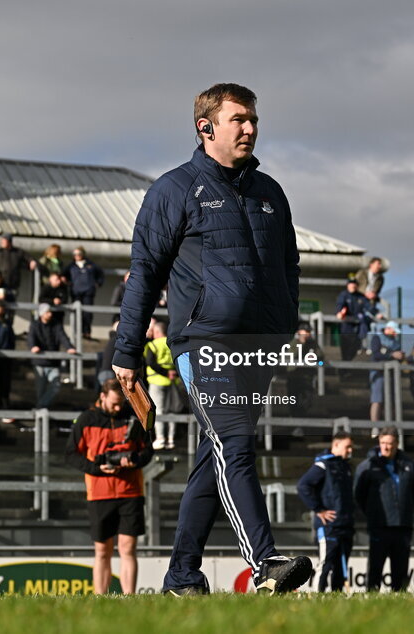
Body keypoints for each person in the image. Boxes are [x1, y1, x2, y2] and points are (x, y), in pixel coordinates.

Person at [111, 83, 311, 595]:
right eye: (238, 119)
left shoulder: (271, 192)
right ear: (206, 127)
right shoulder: (174, 190)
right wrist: (127, 351)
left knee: (215, 454)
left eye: (253, 120)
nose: (250, 128)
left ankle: (181, 577)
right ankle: (264, 562)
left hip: (259, 346)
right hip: (203, 343)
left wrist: (284, 328)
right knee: (236, 444)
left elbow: (289, 267)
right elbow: (145, 272)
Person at [66, 379, 153, 595]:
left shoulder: (132, 416)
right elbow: (70, 454)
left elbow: (148, 450)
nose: (117, 408)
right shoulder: (86, 420)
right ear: (102, 397)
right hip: (99, 492)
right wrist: (97, 468)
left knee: (127, 549)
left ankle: (129, 597)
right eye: (114, 403)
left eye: (120, 404)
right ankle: (100, 597)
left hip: (131, 492)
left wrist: (134, 461)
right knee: (102, 551)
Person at [354, 427, 414, 592]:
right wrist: (372, 513)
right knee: (375, 567)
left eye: (390, 443)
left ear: (397, 443)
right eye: (382, 443)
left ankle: (400, 599)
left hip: (403, 526)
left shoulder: (409, 464)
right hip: (379, 525)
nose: (386, 447)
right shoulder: (368, 466)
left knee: (401, 570)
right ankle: (371, 596)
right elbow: (358, 494)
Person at [297, 432, 354, 593]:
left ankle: (337, 598)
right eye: (347, 446)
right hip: (328, 526)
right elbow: (303, 486)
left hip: (345, 526)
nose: (350, 450)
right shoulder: (323, 464)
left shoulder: (346, 466)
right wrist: (318, 510)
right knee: (325, 563)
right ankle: (317, 596)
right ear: (335, 445)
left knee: (340, 568)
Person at [27, 303, 77, 409]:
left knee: (56, 385)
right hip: (39, 362)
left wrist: (69, 347)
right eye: (47, 312)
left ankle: (40, 407)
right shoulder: (35, 325)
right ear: (42, 314)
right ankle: (42, 412)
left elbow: (62, 336)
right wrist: (33, 347)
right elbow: (31, 337)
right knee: (41, 389)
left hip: (53, 362)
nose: (50, 314)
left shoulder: (56, 324)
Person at [144, 320, 184, 450]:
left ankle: (160, 438)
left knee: (159, 410)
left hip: (157, 381)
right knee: (173, 409)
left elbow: (150, 362)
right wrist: (173, 373)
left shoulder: (152, 345)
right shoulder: (173, 344)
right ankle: (171, 439)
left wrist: (165, 373)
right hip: (174, 382)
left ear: (156, 332)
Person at [63, 246, 104, 339]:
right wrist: (67, 283)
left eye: (79, 254)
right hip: (75, 292)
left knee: (87, 313)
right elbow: (63, 275)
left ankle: (87, 332)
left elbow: (100, 274)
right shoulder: (71, 266)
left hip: (88, 292)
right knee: (76, 313)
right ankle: (77, 332)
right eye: (75, 254)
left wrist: (98, 284)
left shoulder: (91, 265)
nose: (77, 256)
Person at [369, 321, 404, 423]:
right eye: (394, 331)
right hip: (378, 373)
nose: (395, 334)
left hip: (391, 374)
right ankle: (375, 426)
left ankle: (389, 426)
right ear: (388, 329)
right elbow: (376, 354)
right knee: (377, 399)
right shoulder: (377, 338)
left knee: (391, 401)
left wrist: (400, 357)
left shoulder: (396, 342)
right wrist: (392, 355)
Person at [335, 278, 377, 362]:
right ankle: (343, 370)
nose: (353, 285)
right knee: (345, 348)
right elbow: (340, 305)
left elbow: (368, 306)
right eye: (351, 284)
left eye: (354, 284)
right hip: (346, 326)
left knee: (355, 347)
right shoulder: (344, 295)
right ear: (348, 285)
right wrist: (340, 312)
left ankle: (346, 366)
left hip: (357, 327)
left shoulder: (360, 296)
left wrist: (377, 313)